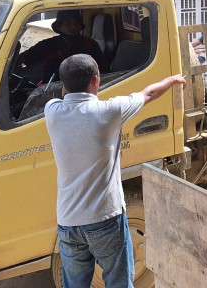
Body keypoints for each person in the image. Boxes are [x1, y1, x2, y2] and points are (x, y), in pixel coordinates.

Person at [45, 54, 185, 287]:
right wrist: (171, 79)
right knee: (119, 282)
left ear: (63, 86)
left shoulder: (52, 112)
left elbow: (61, 98)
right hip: (105, 219)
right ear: (96, 80)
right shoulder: (109, 112)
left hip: (68, 222)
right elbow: (148, 93)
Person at [19, 10, 108, 83]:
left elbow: (103, 72)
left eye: (76, 23)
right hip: (49, 90)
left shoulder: (90, 45)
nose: (73, 27)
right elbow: (26, 57)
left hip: (80, 91)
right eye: (68, 23)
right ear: (59, 26)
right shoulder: (48, 45)